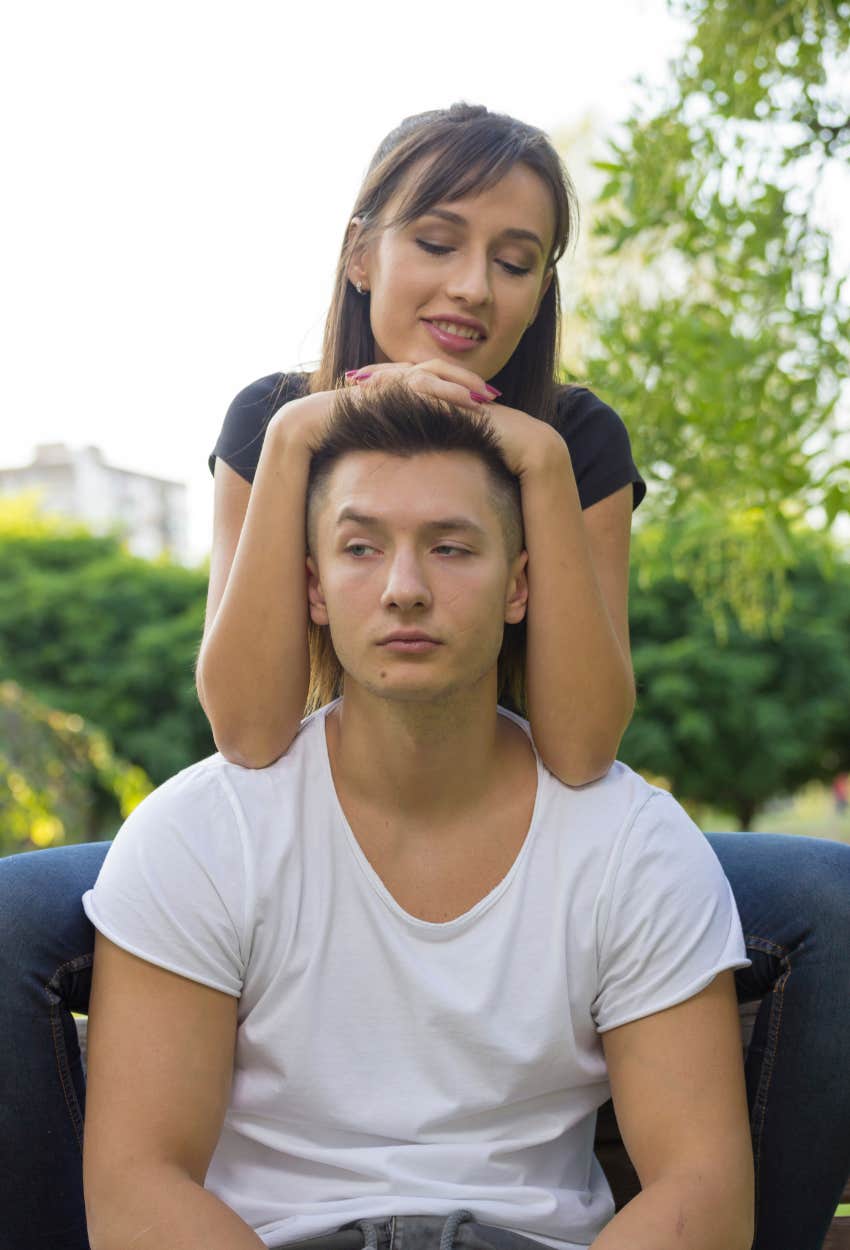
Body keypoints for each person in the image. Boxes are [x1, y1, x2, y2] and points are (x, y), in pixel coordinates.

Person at [0, 102, 848, 1250]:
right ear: (362, 254)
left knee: (820, 897)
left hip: (518, 801)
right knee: (19, 910)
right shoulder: (272, 418)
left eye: (515, 261)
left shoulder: (575, 437)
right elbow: (246, 727)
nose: (472, 288)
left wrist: (537, 464)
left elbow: (583, 744)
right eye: (437, 242)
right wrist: (304, 435)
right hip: (301, 798)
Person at [81, 383, 755, 1250]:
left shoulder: (635, 847)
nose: (405, 589)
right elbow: (137, 1185)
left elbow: (703, 1188)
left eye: (450, 548)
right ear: (314, 589)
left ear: (521, 587)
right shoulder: (200, 837)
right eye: (362, 549)